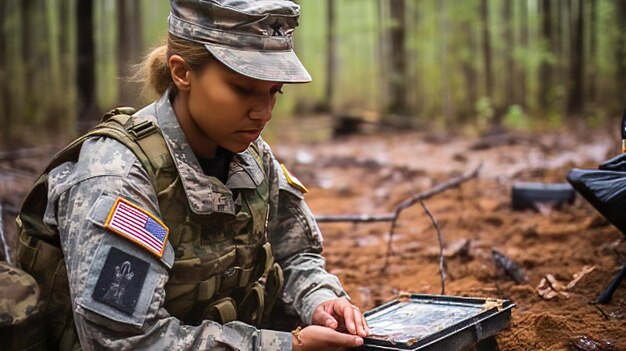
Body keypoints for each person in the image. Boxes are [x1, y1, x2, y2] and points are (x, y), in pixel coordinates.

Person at [15, 0, 369, 350]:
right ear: (182, 72)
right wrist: (283, 347)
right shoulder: (117, 175)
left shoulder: (252, 155)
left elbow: (295, 254)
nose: (263, 112)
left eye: (275, 91)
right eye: (244, 89)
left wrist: (319, 300)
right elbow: (125, 341)